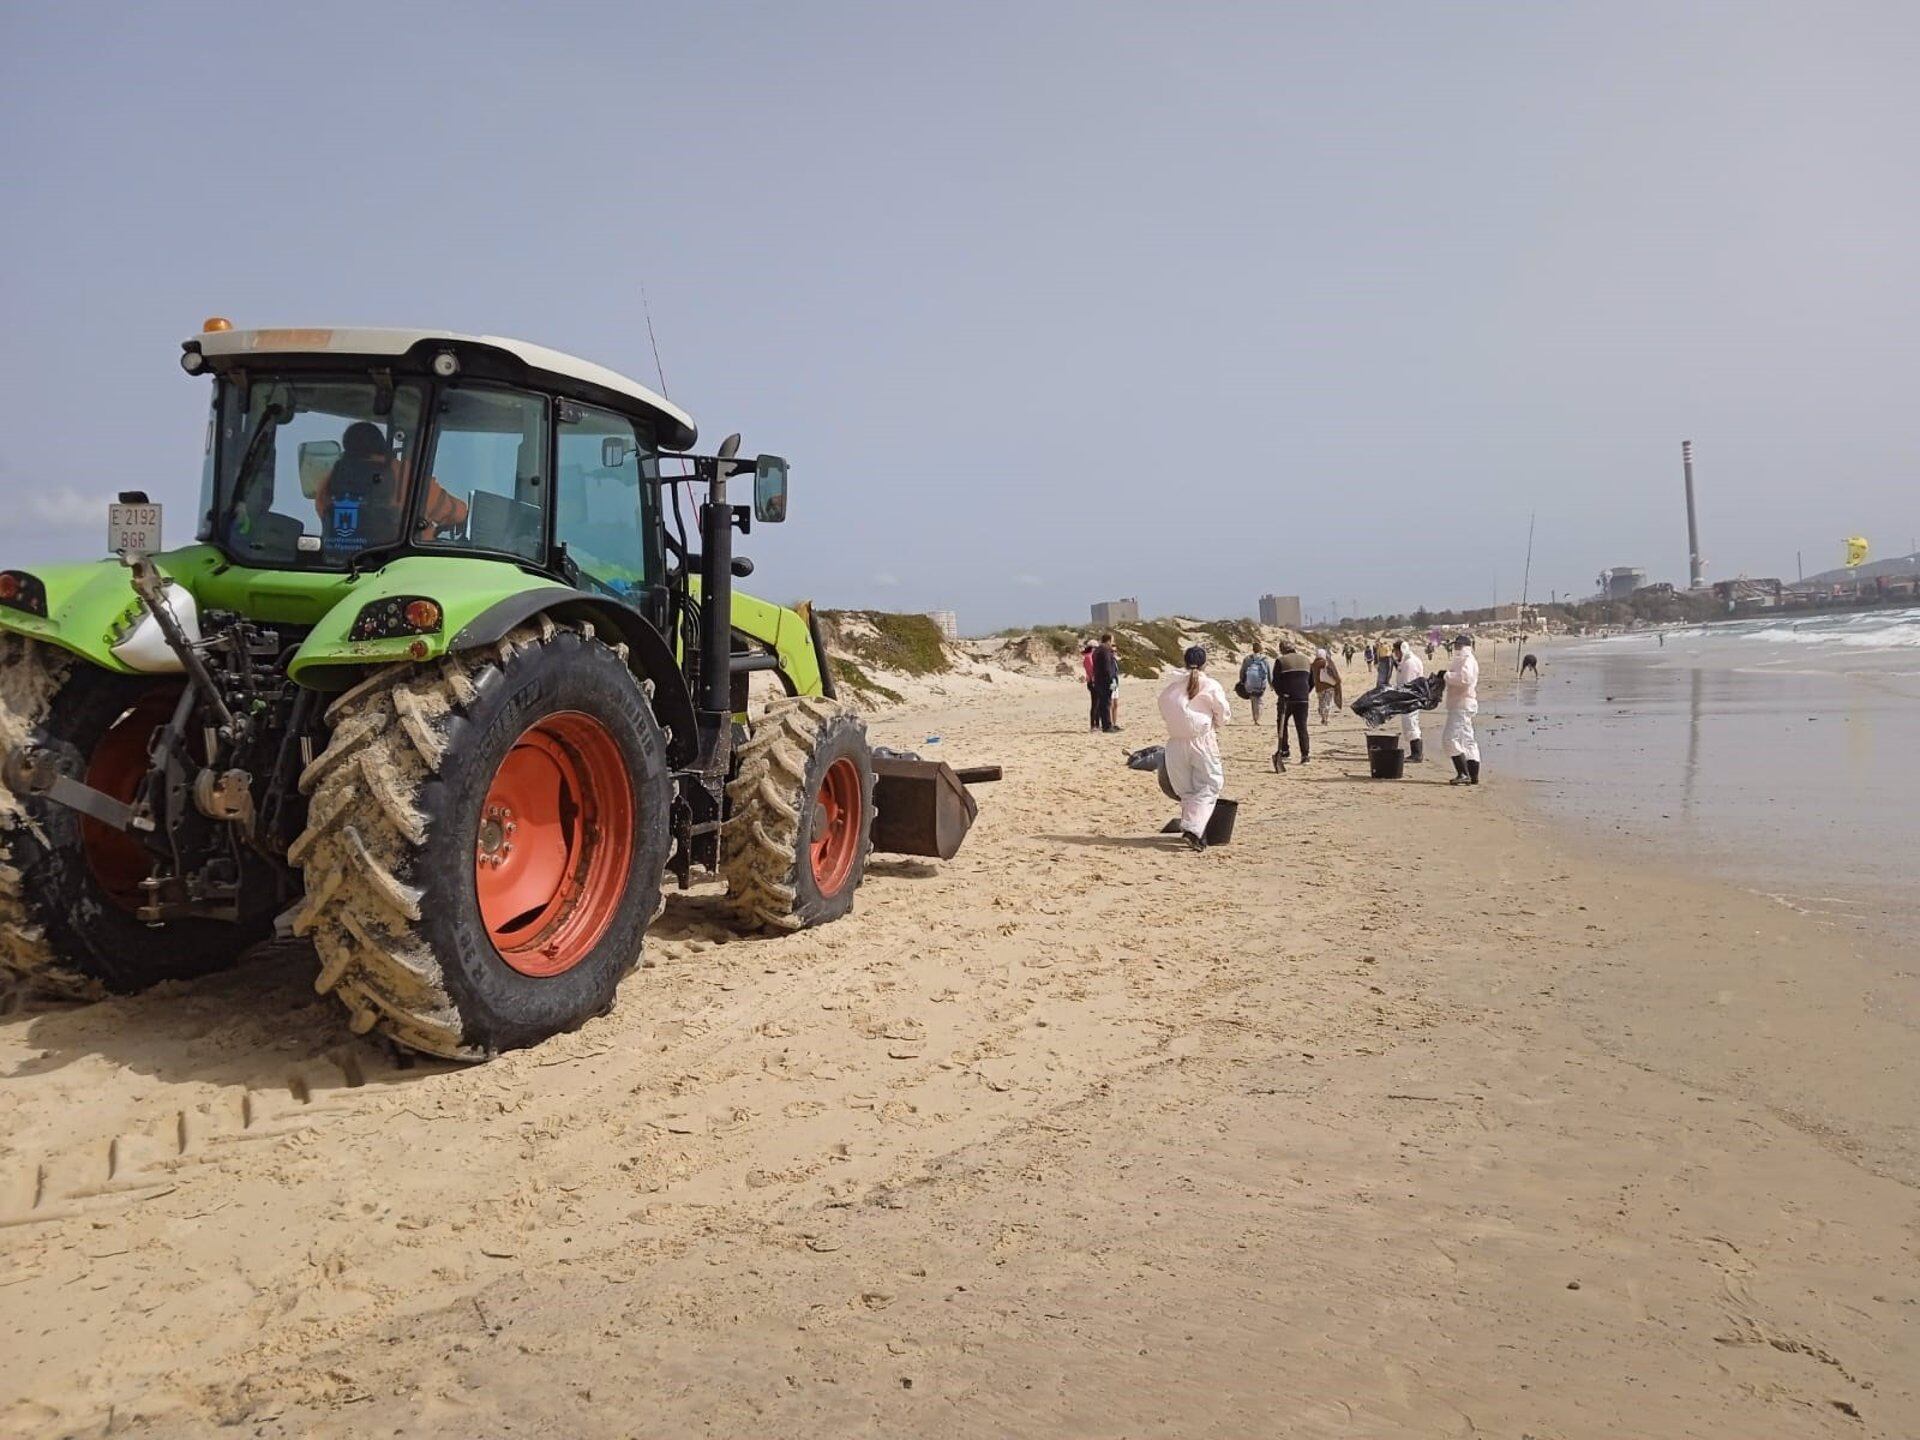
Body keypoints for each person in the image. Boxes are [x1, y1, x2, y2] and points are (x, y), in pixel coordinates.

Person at [1158, 645, 1231, 851]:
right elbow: (1224, 714)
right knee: (1210, 786)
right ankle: (1194, 830)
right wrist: (1214, 722)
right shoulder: (1210, 685)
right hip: (1201, 741)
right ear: (1205, 663)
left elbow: (1163, 708)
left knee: (1186, 790)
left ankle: (1194, 829)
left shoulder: (1172, 686)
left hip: (1175, 744)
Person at [1443, 634, 1481, 785]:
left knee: (1449, 738)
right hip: (1462, 703)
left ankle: (1463, 773)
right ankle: (1473, 775)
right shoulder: (1462, 660)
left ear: (1465, 646)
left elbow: (1464, 679)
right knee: (1467, 739)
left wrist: (1447, 675)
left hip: (1462, 704)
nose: (1455, 648)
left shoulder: (1467, 660)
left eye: (1458, 646)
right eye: (1455, 645)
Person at [1271, 640, 1314, 770]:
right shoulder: (1306, 660)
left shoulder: (1281, 661)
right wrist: (1305, 692)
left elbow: (1276, 682)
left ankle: (1285, 751)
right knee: (1302, 727)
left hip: (1287, 699)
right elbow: (1312, 681)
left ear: (1282, 649)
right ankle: (1305, 755)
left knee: (1282, 724)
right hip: (1303, 699)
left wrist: (1281, 694)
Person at [1392, 638, 1426, 762]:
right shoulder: (1407, 661)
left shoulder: (1409, 663)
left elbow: (1407, 682)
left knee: (1411, 723)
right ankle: (1416, 753)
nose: (1395, 654)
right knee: (1410, 723)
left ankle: (1417, 754)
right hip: (1410, 697)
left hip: (1410, 697)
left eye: (1396, 651)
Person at [1091, 632, 1121, 733]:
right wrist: (1111, 680)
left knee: (1104, 703)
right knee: (1106, 703)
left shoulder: (1098, 649)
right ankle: (1107, 726)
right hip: (1106, 681)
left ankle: (1106, 725)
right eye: (1112, 640)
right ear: (1109, 640)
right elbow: (1107, 667)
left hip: (1099, 680)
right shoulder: (1105, 649)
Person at [1237, 646, 1272, 724]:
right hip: (1261, 683)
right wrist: (1271, 683)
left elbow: (1242, 670)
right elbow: (1269, 672)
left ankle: (1255, 718)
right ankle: (1258, 717)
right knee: (1259, 699)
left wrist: (1241, 680)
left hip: (1249, 683)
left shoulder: (1247, 659)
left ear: (1253, 649)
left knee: (1253, 699)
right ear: (1261, 650)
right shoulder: (1265, 659)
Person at [1309, 646, 1342, 724]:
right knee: (1328, 702)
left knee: (1321, 702)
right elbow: (1334, 673)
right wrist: (1338, 681)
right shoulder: (1327, 662)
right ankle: (1326, 719)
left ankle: (1323, 717)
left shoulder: (1313, 665)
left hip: (1319, 687)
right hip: (1329, 686)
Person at [1081, 641, 1098, 730]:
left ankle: (1096, 724)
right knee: (1095, 704)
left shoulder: (1089, 656)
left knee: (1097, 703)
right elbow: (1092, 670)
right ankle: (1093, 725)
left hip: (1092, 681)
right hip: (1093, 682)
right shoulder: (1089, 657)